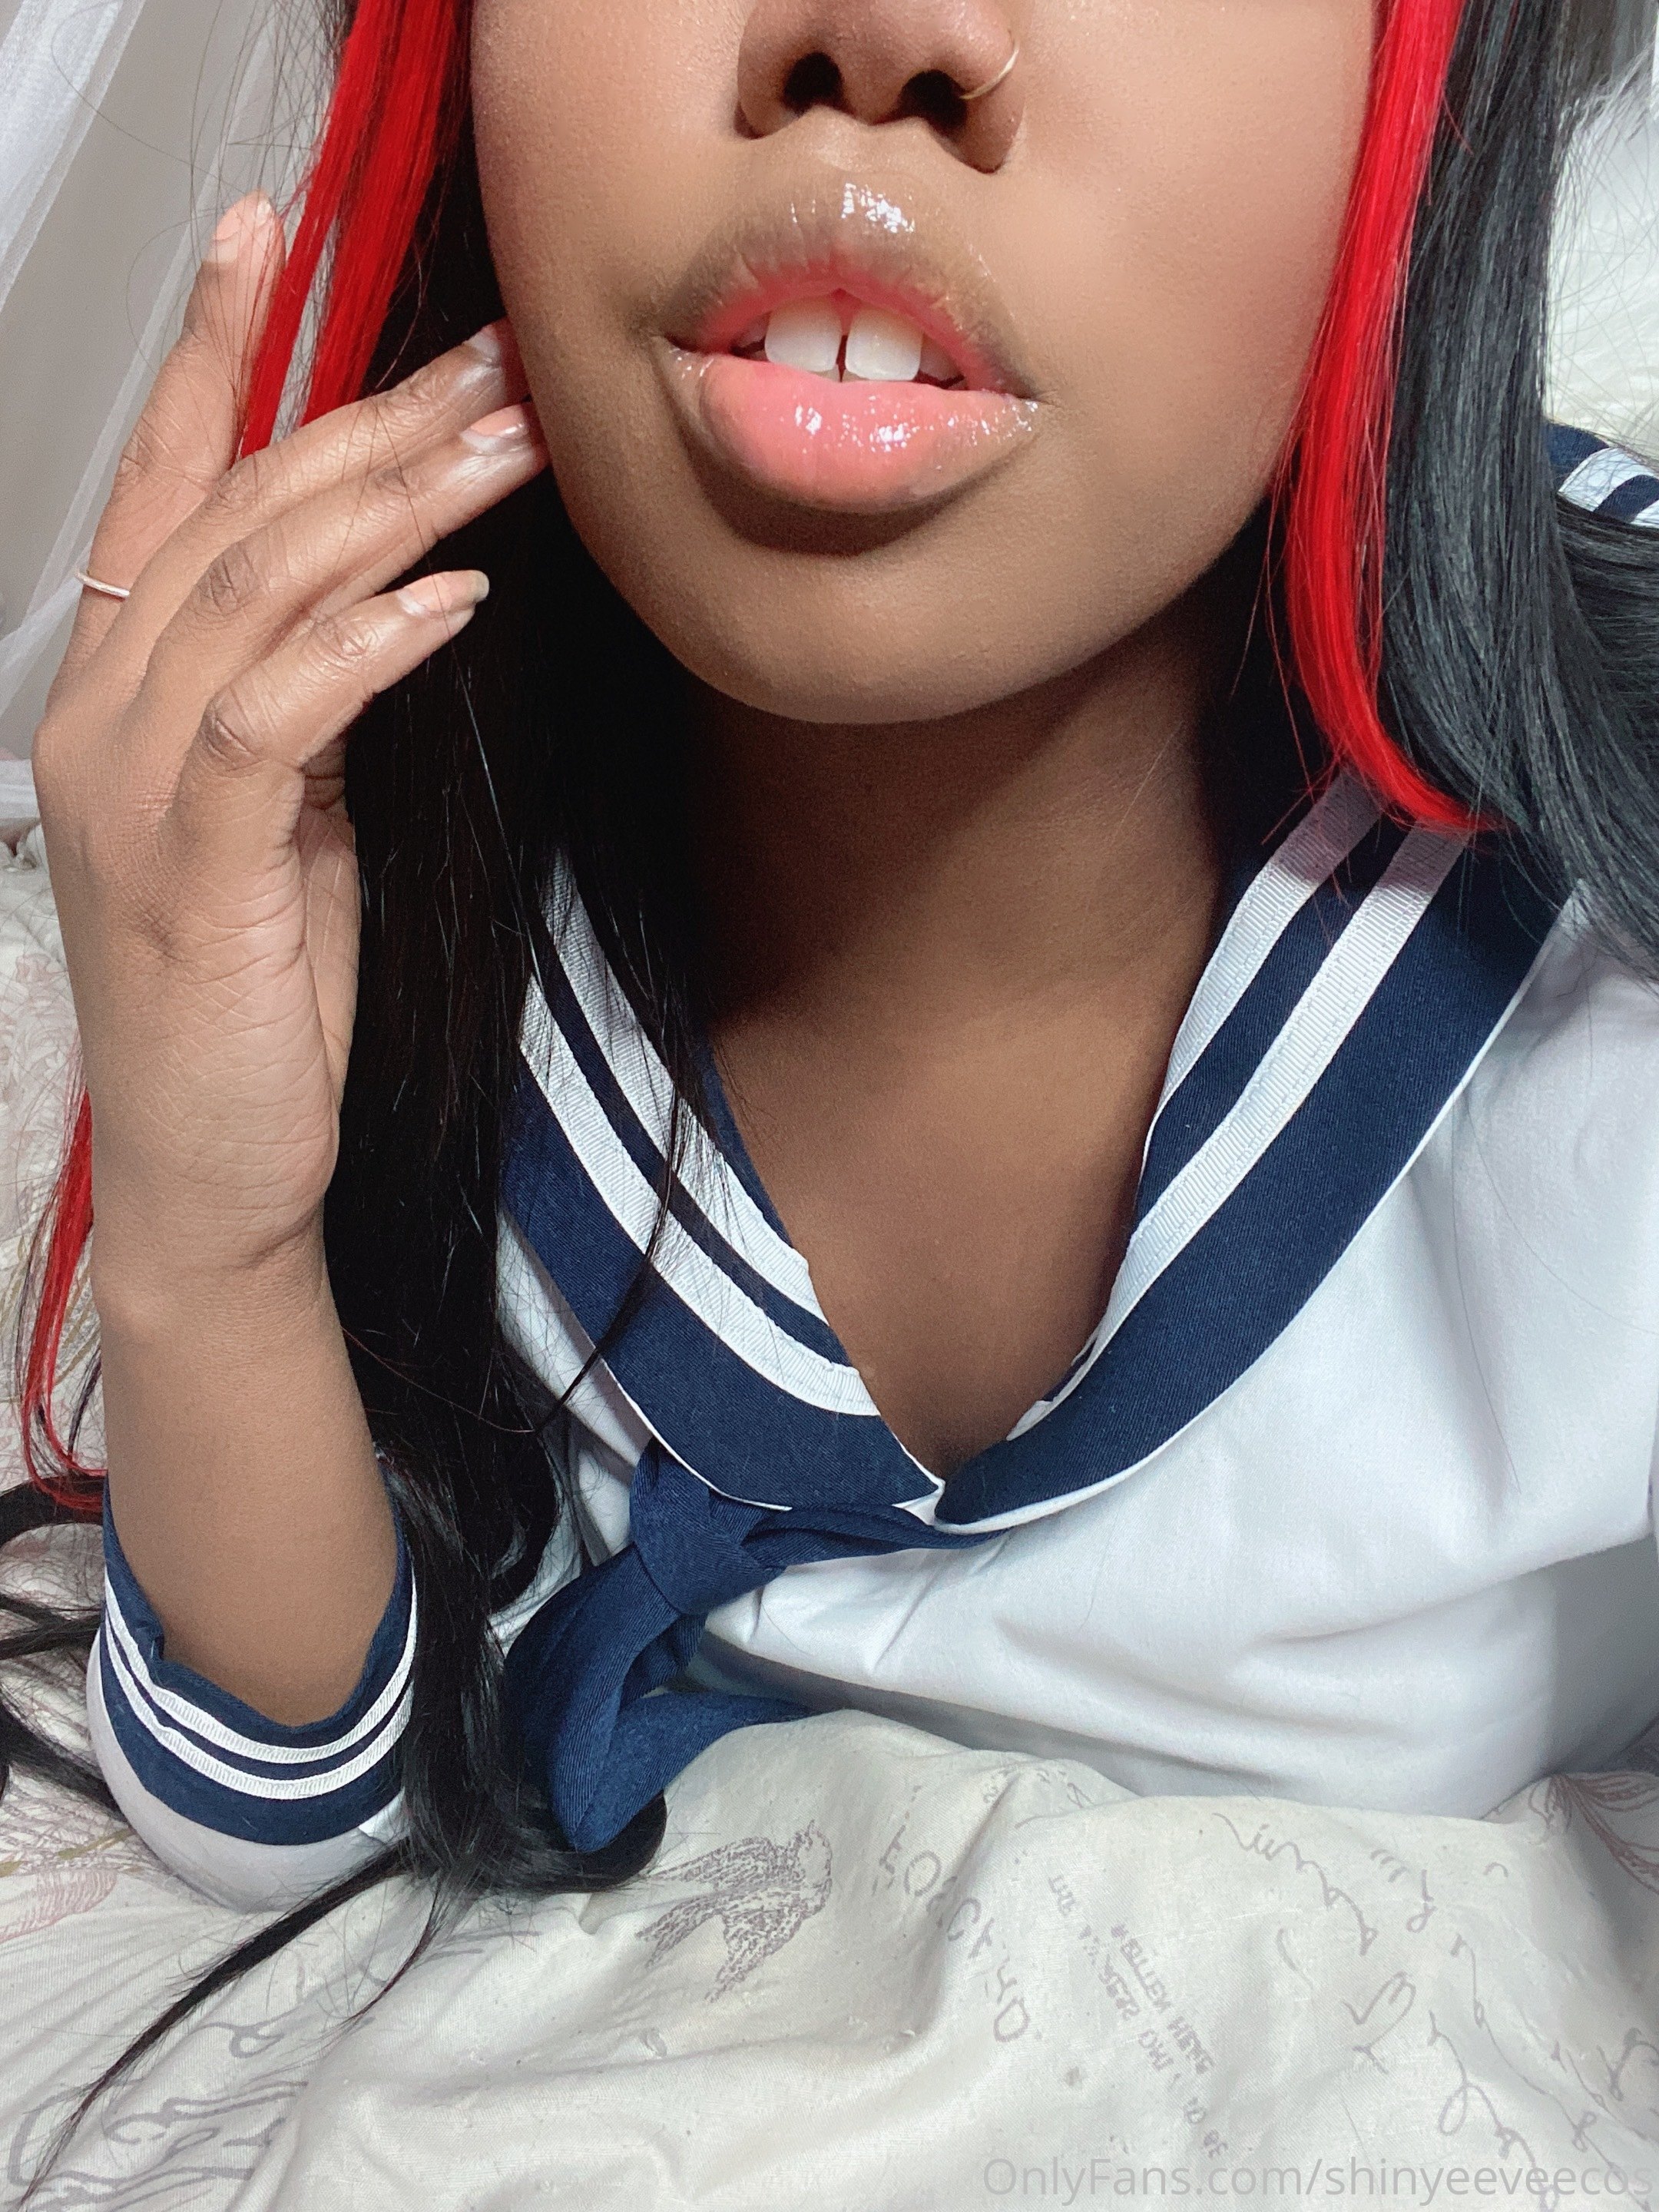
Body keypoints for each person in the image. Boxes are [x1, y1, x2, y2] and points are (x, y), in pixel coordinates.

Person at [6, 0, 1659, 1973]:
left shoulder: (1601, 973)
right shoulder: (388, 825)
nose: (876, 31)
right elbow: (280, 1798)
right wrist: (209, 1235)